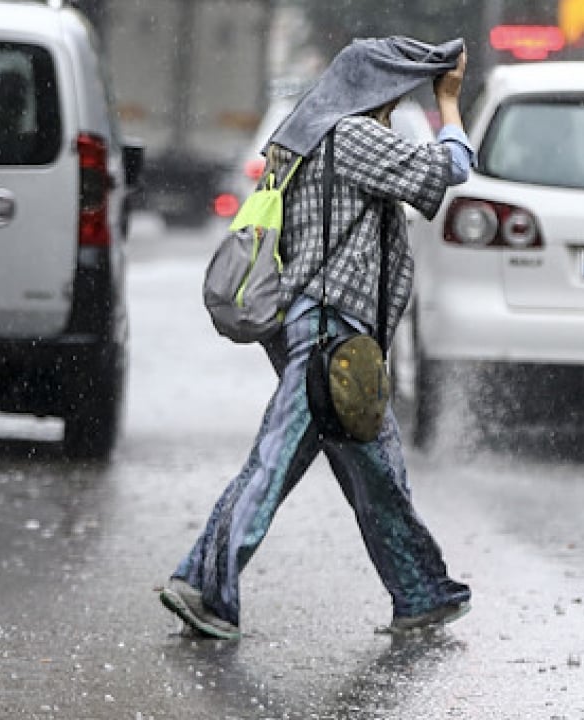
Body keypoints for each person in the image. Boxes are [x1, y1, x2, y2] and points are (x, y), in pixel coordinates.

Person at [160, 37, 474, 640]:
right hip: (332, 331)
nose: (394, 103)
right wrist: (450, 104)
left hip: (319, 331)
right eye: (394, 90)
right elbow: (449, 169)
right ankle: (203, 585)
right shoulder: (351, 136)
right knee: (272, 464)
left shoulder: (298, 133)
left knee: (377, 472)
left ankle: (421, 591)